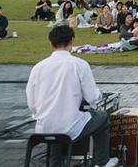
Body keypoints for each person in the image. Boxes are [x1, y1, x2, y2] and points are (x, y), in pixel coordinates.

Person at [26, 25, 119, 167]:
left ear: (50, 43)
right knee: (102, 117)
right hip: (70, 128)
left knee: (55, 122)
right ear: (72, 41)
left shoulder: (38, 67)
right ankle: (102, 162)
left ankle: (55, 163)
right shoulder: (79, 64)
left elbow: (32, 103)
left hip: (43, 128)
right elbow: (93, 97)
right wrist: (98, 97)